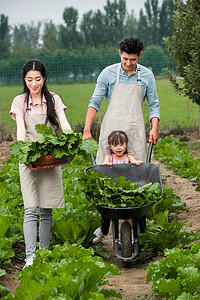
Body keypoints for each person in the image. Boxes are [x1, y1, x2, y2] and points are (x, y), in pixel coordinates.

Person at [83, 36, 160, 243]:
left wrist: (154, 127)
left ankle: (136, 223)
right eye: (125, 58)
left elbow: (153, 104)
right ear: (120, 53)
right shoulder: (108, 73)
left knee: (137, 177)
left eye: (133, 60)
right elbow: (95, 101)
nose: (128, 63)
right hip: (112, 133)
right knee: (106, 180)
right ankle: (104, 225)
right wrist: (87, 129)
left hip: (134, 132)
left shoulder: (147, 76)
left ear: (139, 56)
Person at [9, 59, 71, 268]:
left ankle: (43, 254)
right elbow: (20, 131)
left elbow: (64, 125)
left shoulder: (53, 99)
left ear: (44, 78)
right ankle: (30, 257)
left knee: (46, 209)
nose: (34, 83)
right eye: (29, 79)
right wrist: (24, 154)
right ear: (24, 79)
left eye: (38, 79)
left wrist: (71, 143)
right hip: (28, 159)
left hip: (50, 157)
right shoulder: (20, 101)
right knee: (30, 209)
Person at [93, 130, 143, 244]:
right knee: (113, 216)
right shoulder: (109, 157)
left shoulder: (129, 157)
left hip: (127, 188)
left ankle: (127, 236)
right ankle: (116, 238)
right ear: (110, 146)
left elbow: (135, 162)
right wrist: (107, 164)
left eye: (121, 144)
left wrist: (138, 163)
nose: (119, 148)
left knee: (125, 215)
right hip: (113, 189)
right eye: (115, 145)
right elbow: (105, 163)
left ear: (126, 144)